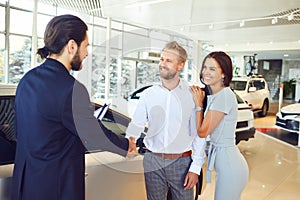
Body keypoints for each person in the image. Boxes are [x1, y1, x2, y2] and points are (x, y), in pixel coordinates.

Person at [11, 14, 136, 200]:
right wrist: (126, 146)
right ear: (71, 46)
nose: (86, 53)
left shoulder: (26, 80)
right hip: (56, 188)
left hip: (26, 186)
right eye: (86, 46)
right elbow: (93, 134)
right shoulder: (71, 89)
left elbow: (20, 129)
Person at [126, 41, 206, 200]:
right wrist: (130, 140)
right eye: (161, 59)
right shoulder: (149, 95)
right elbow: (137, 124)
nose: (162, 64)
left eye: (168, 61)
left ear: (180, 65)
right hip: (153, 161)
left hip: (182, 163)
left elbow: (199, 134)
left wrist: (195, 168)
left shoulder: (193, 95)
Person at [190, 51, 249, 200]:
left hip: (230, 165)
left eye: (212, 69)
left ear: (224, 74)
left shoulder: (224, 96)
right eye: (204, 67)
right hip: (227, 163)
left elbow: (202, 132)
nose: (206, 72)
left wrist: (198, 105)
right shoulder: (216, 95)